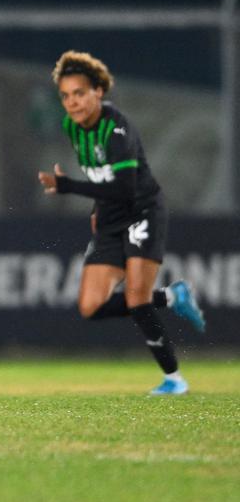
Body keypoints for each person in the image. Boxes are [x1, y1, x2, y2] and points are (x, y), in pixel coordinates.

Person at [37, 50, 206, 395]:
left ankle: (174, 379)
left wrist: (68, 187)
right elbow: (101, 178)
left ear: (98, 91)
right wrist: (97, 211)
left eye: (79, 93)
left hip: (142, 210)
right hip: (112, 216)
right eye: (66, 96)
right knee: (90, 306)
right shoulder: (72, 127)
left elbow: (125, 187)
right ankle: (173, 296)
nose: (72, 103)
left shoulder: (117, 128)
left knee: (136, 298)